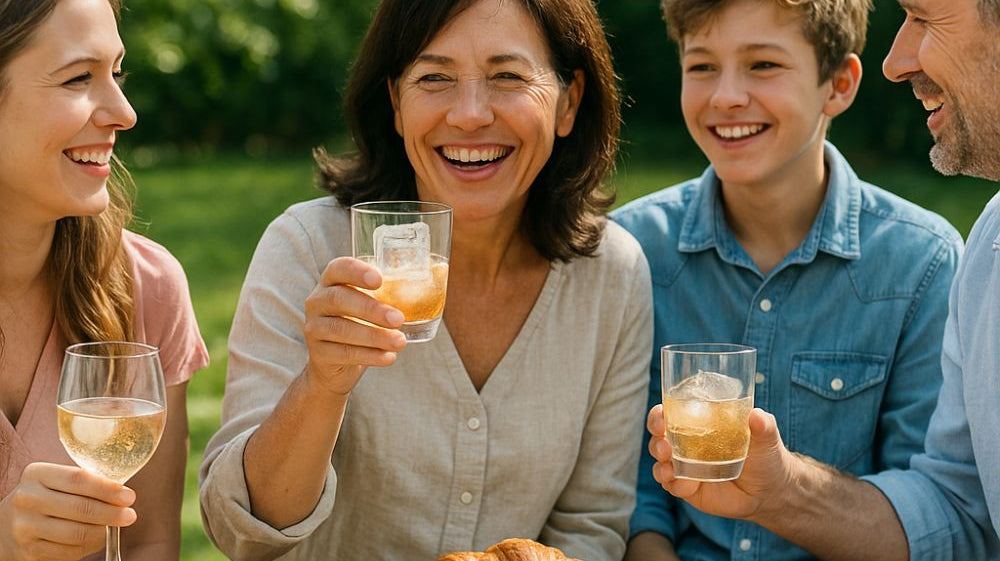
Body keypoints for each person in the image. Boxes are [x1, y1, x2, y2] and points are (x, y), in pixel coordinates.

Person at [197, 0, 652, 560]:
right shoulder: (309, 248)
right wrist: (322, 385)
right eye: (434, 77)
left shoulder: (613, 275)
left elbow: (592, 529)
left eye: (507, 76)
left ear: (569, 102)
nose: (467, 114)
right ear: (395, 102)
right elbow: (241, 534)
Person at [638, 0, 1000, 559]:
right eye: (702, 65)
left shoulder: (925, 263)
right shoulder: (633, 251)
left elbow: (945, 514)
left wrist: (784, 488)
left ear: (837, 85)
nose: (727, 95)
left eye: (762, 65)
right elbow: (632, 495)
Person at [0, 0, 210, 559]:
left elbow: (149, 544)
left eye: (116, 73)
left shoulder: (147, 286)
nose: (124, 112)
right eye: (78, 78)